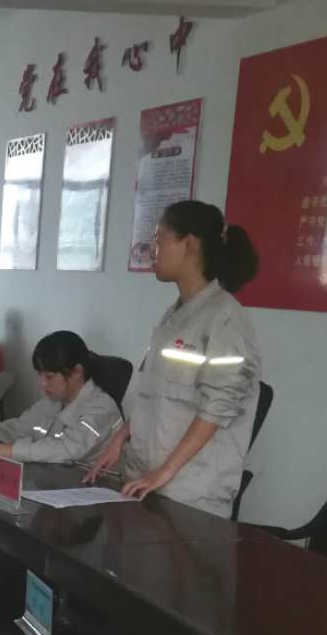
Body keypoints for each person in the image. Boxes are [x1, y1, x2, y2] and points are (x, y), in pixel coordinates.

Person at [86, 200, 262, 517]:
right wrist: (121, 437)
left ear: (189, 244)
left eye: (159, 239)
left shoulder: (226, 319)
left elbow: (217, 407)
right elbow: (156, 396)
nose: (151, 250)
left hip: (189, 494)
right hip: (145, 480)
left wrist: (165, 472)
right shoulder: (174, 317)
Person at [0, 331, 122, 466]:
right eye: (39, 374)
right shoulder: (52, 401)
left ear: (77, 372)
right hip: (54, 481)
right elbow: (19, 428)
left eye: (49, 376)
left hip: (91, 485)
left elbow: (67, 449)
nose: (42, 383)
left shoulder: (102, 408)